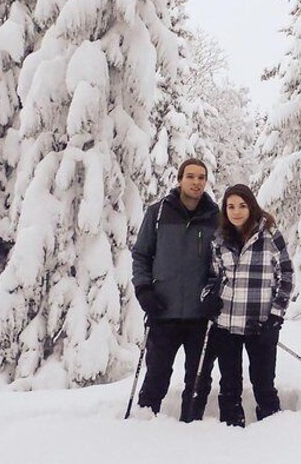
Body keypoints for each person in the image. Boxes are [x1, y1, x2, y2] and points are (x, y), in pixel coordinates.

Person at [131, 158, 219, 422]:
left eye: (201, 177)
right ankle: (143, 424)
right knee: (156, 374)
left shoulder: (215, 218)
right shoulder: (157, 213)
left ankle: (191, 427)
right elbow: (141, 255)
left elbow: (225, 262)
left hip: (200, 315)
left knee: (199, 379)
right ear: (180, 179)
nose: (196, 182)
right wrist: (144, 290)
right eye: (190, 176)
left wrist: (215, 293)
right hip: (163, 311)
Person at [200, 184, 295, 427]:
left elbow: (286, 275)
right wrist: (208, 296)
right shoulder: (219, 239)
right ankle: (231, 430)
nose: (236, 211)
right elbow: (213, 276)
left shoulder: (270, 235)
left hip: (260, 324)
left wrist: (275, 316)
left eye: (242, 205)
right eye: (230, 206)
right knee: (229, 385)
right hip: (226, 323)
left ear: (251, 206)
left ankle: (272, 430)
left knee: (263, 383)